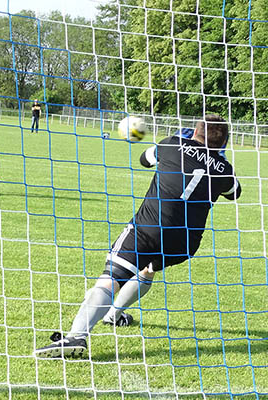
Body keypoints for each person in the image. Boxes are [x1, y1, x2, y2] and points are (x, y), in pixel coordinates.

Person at [34, 115, 242, 359]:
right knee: (147, 268)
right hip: (184, 243)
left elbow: (145, 159)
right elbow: (235, 192)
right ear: (224, 141)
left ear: (194, 131)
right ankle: (114, 314)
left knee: (113, 276)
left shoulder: (171, 143)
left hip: (149, 228)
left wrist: (182, 143)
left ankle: (77, 336)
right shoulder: (225, 171)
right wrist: (218, 159)